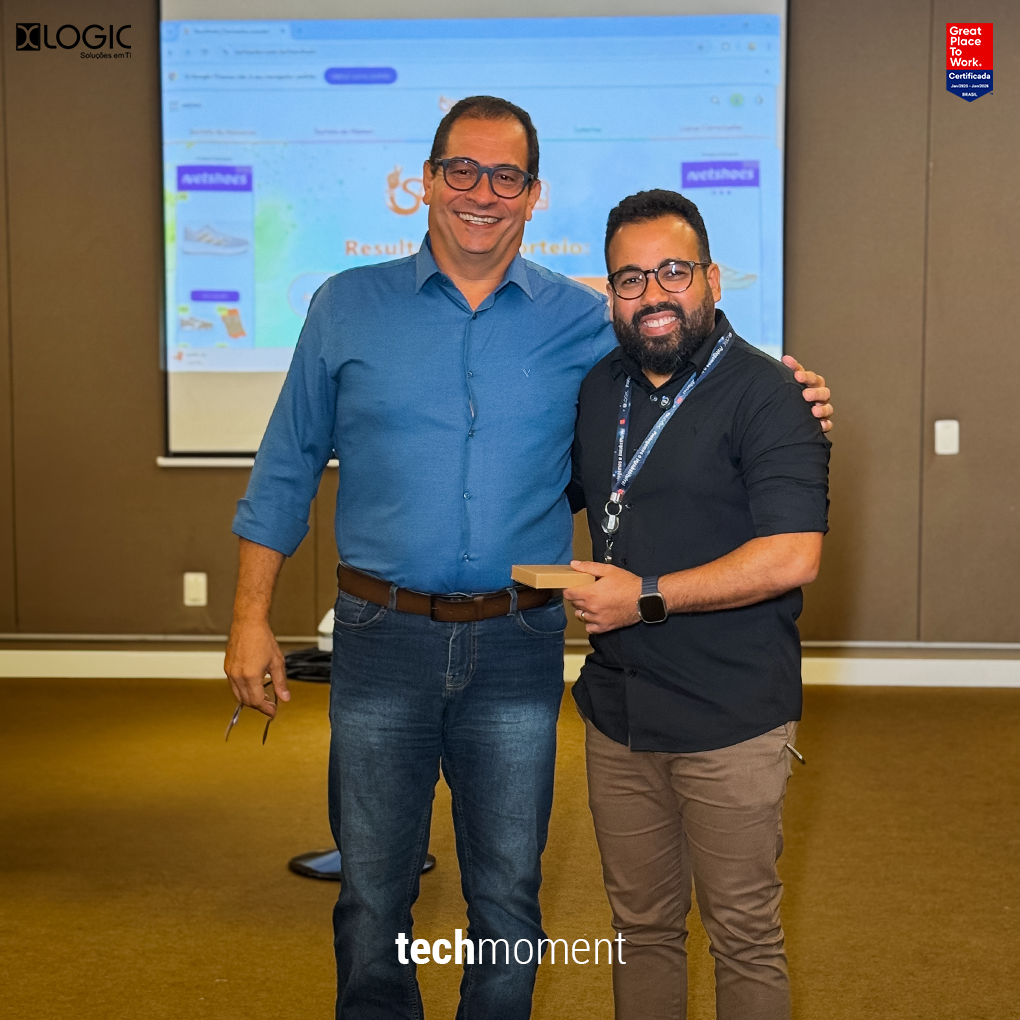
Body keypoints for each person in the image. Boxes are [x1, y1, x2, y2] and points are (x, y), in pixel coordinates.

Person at [224, 97, 832, 1020]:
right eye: (462, 171)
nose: (483, 193)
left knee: (508, 895)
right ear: (425, 182)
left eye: (506, 176)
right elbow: (283, 469)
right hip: (381, 638)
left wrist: (790, 388)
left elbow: (683, 341)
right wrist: (248, 617)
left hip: (517, 647)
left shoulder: (583, 320)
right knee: (373, 896)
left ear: (534, 194)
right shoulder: (345, 307)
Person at [563, 189, 830, 1020]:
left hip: (730, 719)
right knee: (640, 930)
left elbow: (792, 555)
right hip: (619, 717)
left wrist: (644, 598)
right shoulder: (597, 390)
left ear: (712, 279)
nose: (653, 294)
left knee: (743, 936)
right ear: (611, 293)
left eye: (673, 272)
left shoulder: (770, 394)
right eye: (630, 278)